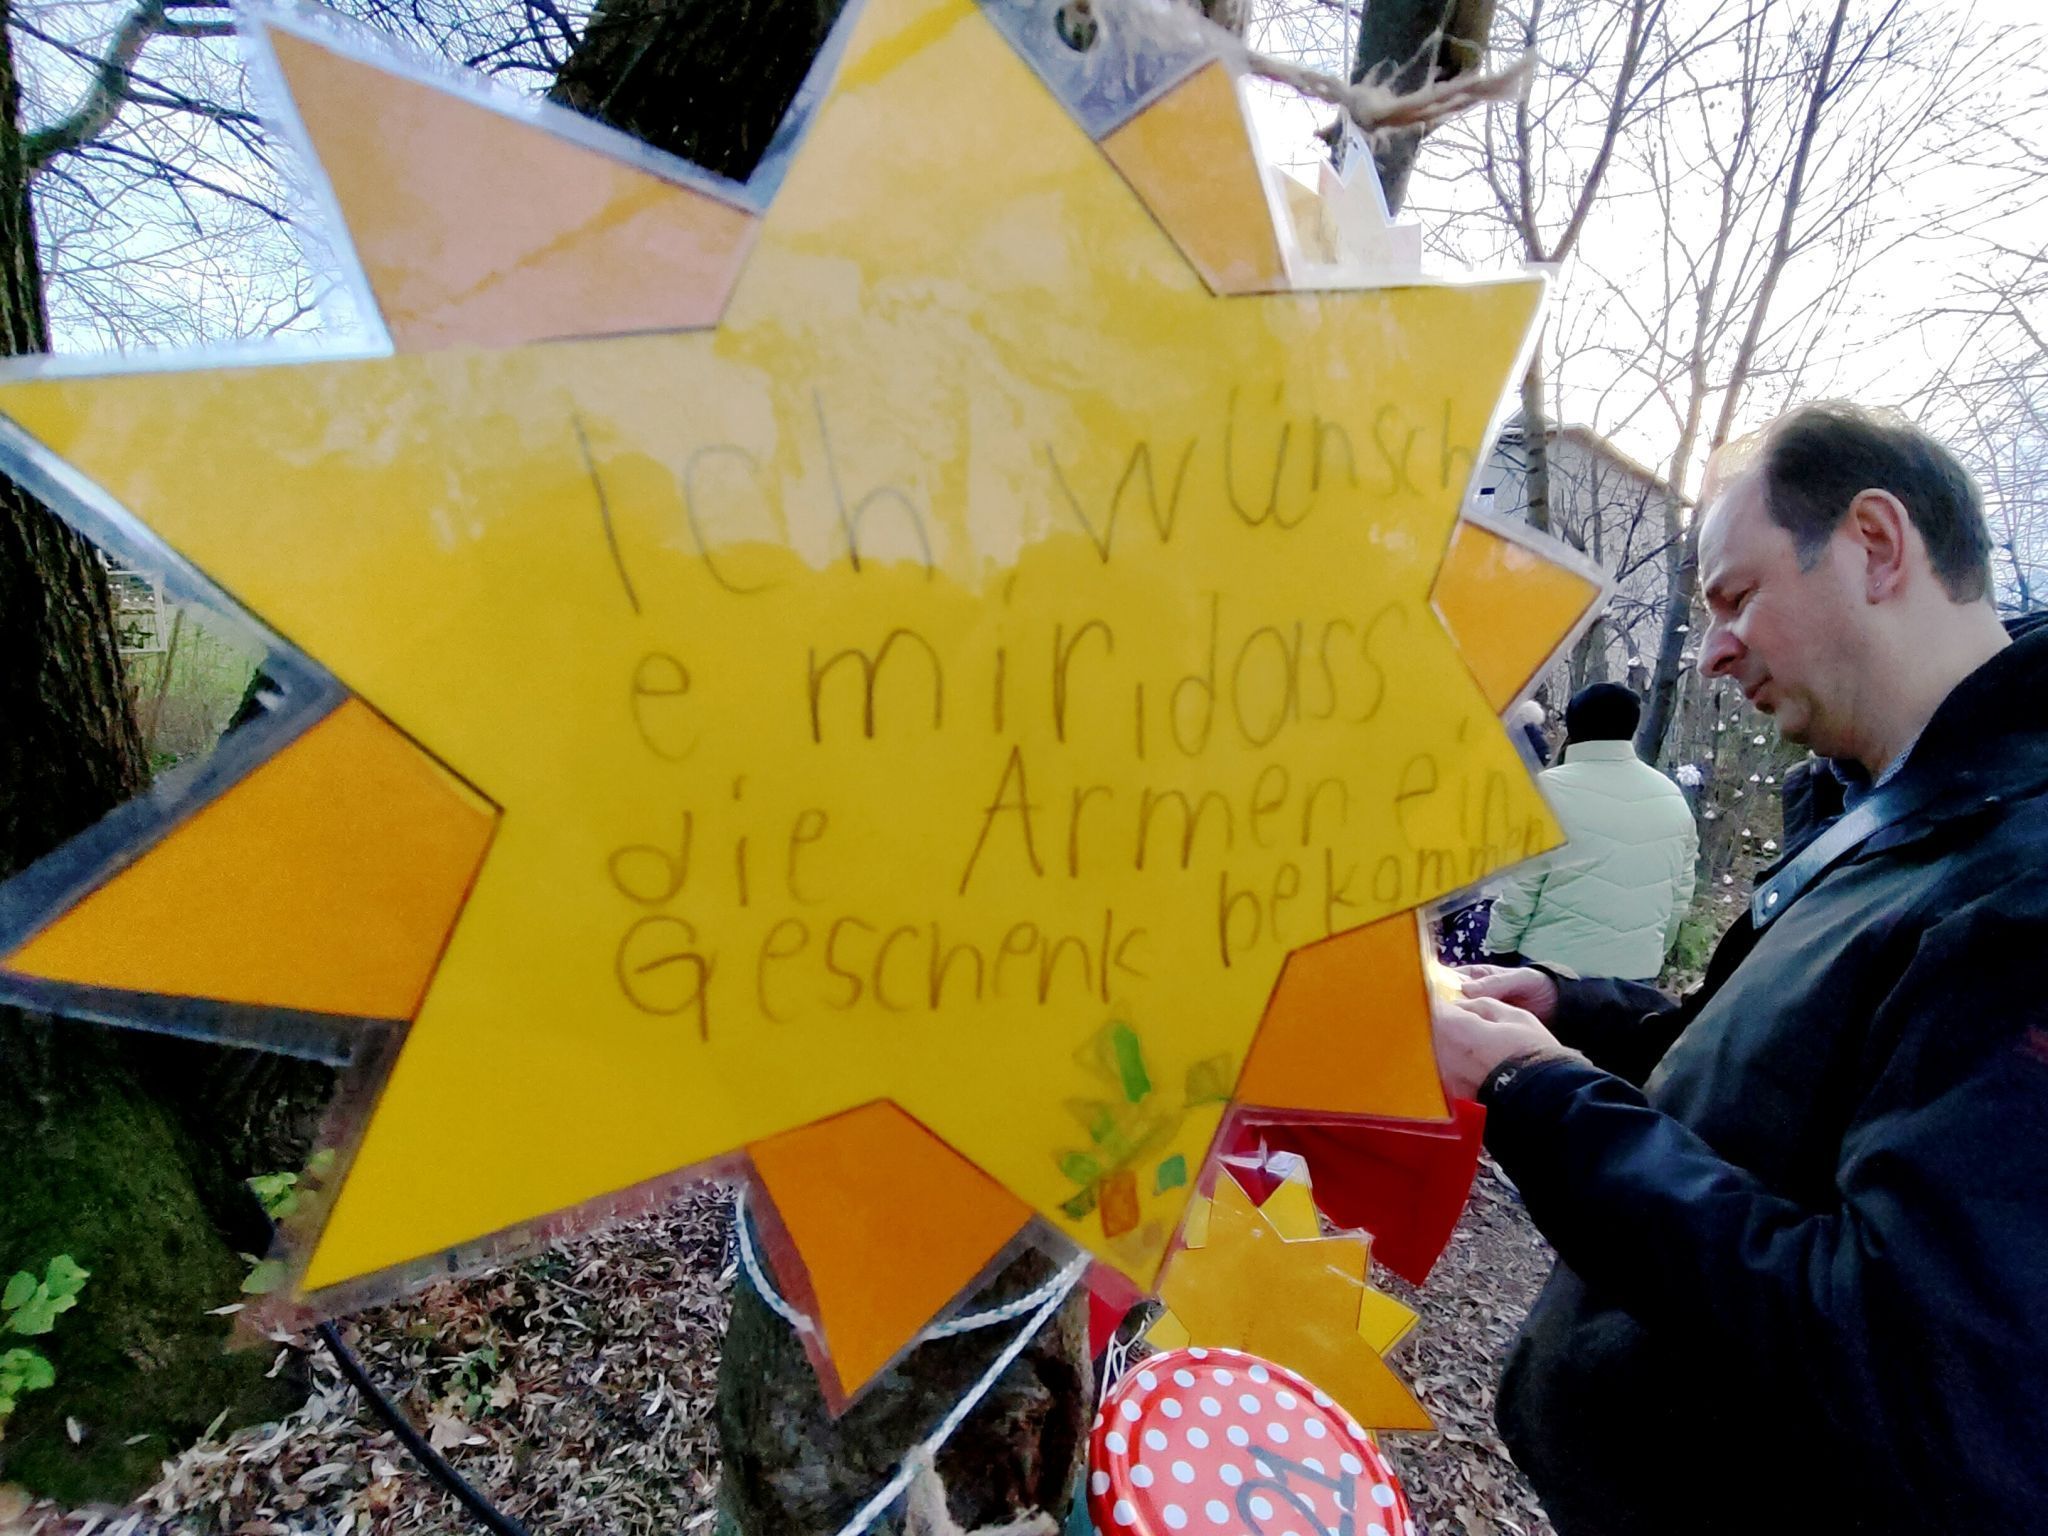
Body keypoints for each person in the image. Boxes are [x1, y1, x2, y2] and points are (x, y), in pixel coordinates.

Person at [1429, 402, 2048, 1534]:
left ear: (1872, 544)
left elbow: (1900, 1363)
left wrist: (1539, 1097)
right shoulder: (1894, 812)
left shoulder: (2017, 891)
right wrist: (1578, 1016)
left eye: (1734, 596)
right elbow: (1799, 1067)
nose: (1713, 646)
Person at [1482, 683, 1697, 980]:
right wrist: (1653, 954)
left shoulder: (1546, 791)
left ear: (1573, 725)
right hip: (1634, 977)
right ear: (1632, 726)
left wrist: (1499, 950)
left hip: (1549, 971)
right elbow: (1680, 895)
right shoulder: (1672, 797)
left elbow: (1520, 887)